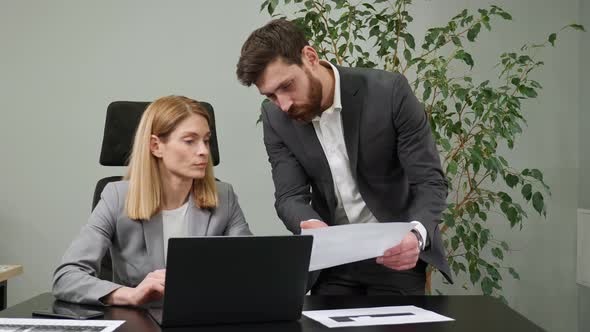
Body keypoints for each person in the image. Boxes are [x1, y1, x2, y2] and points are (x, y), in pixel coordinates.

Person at [236, 19, 451, 295]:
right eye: (271, 96)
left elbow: (430, 181)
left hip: (396, 256)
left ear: (310, 57)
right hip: (332, 264)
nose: (284, 104)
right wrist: (310, 226)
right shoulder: (275, 117)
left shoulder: (389, 92)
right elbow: (289, 197)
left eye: (287, 86)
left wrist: (416, 235)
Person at [52, 96, 251, 305]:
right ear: (156, 146)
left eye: (206, 140)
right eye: (190, 140)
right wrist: (129, 294)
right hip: (138, 322)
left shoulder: (224, 196)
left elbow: (251, 270)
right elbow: (66, 277)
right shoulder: (117, 197)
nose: (203, 151)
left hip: (202, 318)